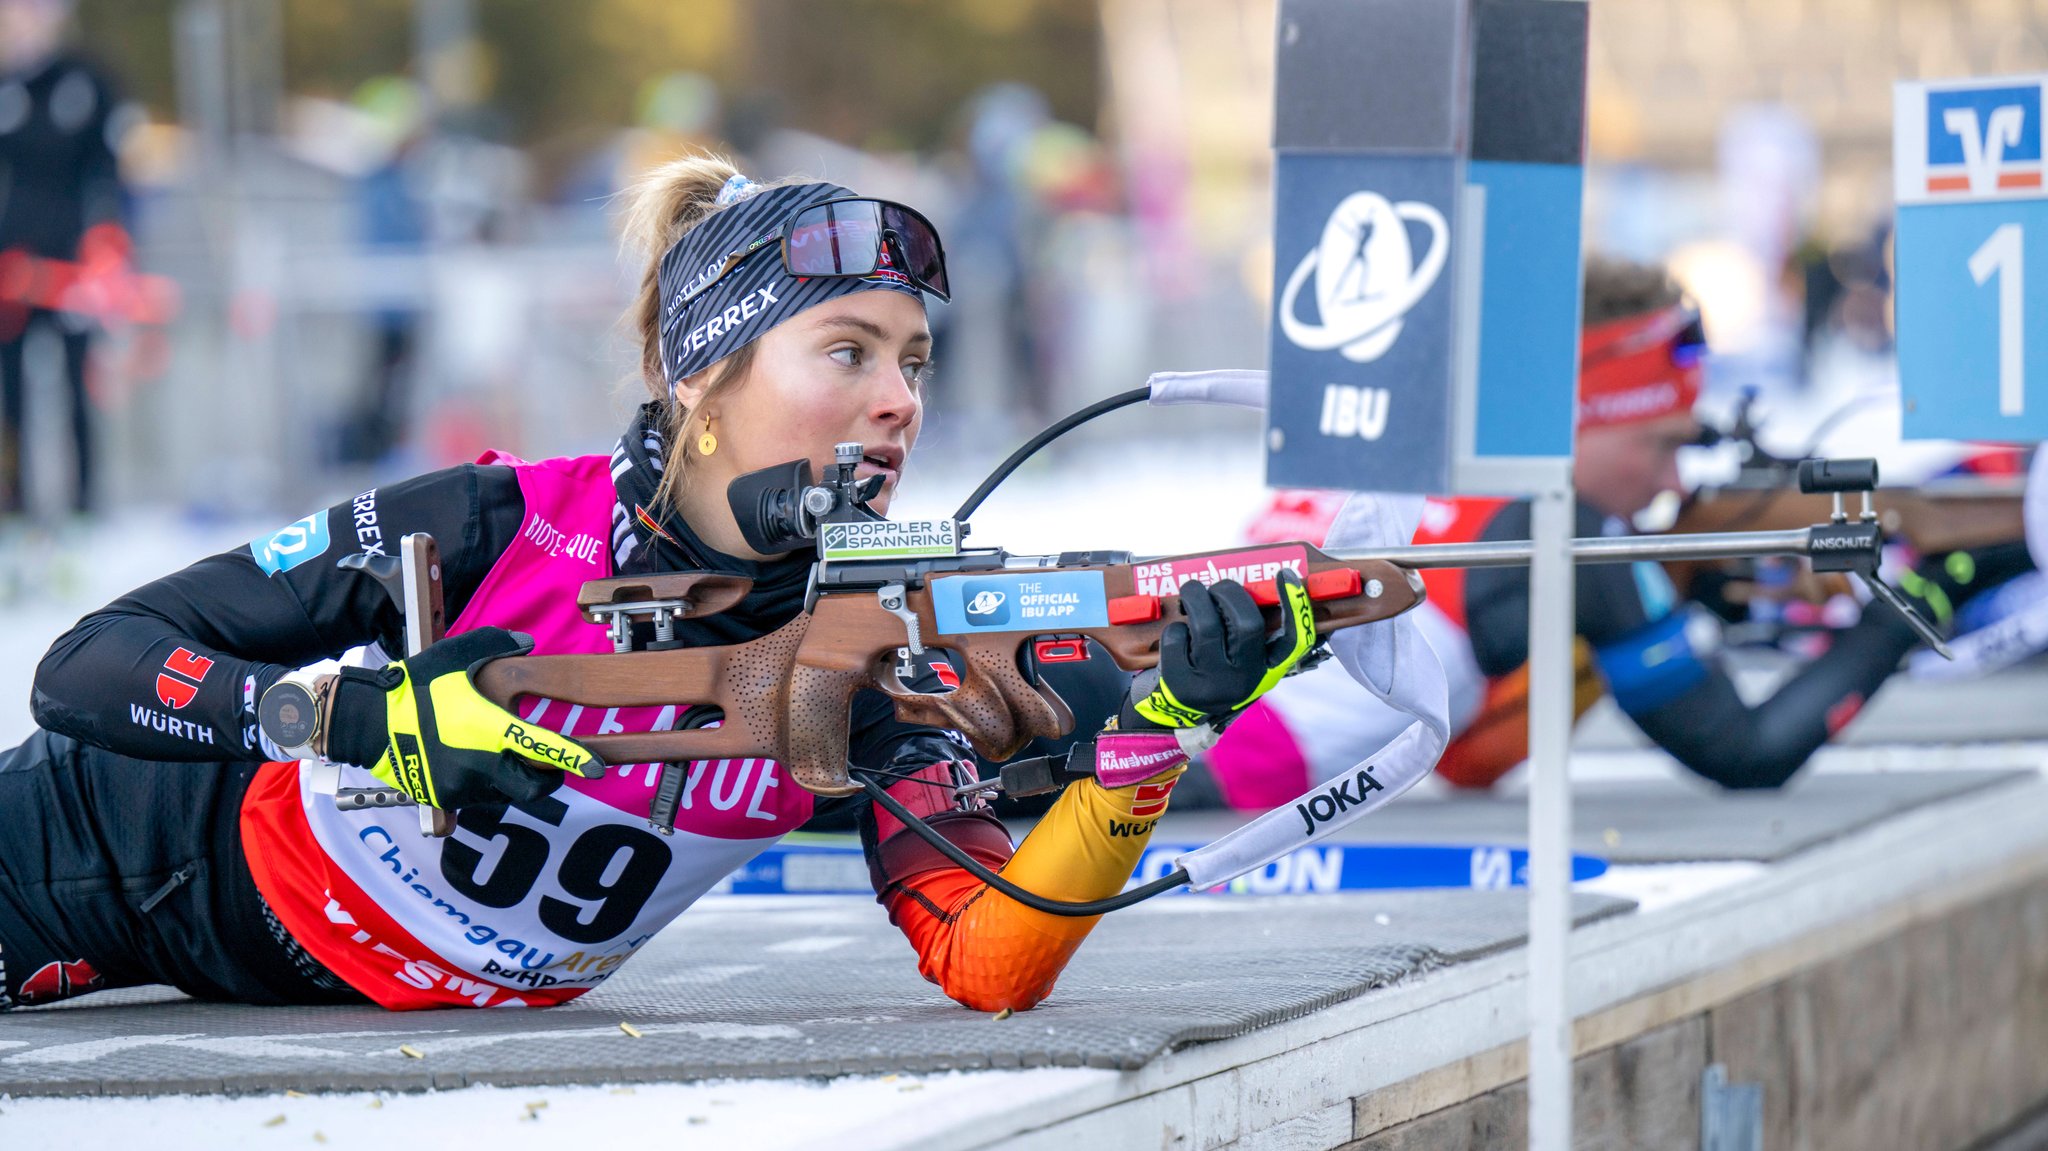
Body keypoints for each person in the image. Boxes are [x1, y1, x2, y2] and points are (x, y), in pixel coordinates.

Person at [4, 156, 1314, 1012]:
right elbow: (85, 664)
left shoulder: (881, 634)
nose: (898, 400)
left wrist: (1167, 726)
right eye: (847, 351)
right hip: (113, 841)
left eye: (915, 359)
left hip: (276, 988)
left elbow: (995, 955)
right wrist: (354, 719)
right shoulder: (503, 516)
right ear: (703, 373)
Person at [1186, 257, 2033, 805]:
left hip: (1158, 747)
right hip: (1196, 801)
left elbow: (1467, 758)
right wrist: (1912, 607)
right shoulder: (1560, 530)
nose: (1672, 480)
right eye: (1660, 443)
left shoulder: (1399, 437)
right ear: (1578, 418)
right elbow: (1747, 753)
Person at [0, 0, 127, 515]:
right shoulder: (7, 85)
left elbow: (109, 171)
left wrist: (107, 246)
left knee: (77, 385)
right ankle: (16, 504)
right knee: (13, 395)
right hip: (12, 270)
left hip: (71, 270)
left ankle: (85, 505)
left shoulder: (88, 81)